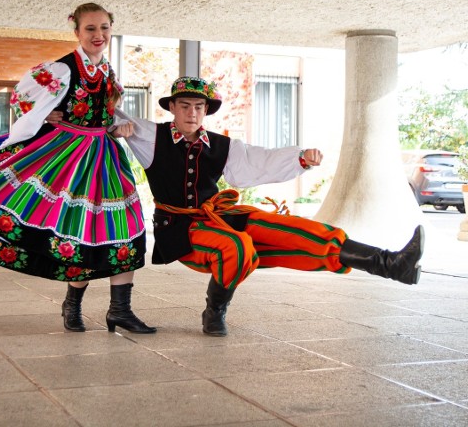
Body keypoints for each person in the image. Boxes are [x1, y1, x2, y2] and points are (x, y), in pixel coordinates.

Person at [107, 76, 424, 337]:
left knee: (298, 231)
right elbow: (106, 115)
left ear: (206, 111)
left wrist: (299, 159)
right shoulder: (150, 135)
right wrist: (110, 127)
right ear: (173, 107)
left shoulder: (221, 145)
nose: (192, 113)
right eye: (185, 106)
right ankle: (214, 310)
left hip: (221, 215)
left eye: (199, 107)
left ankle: (391, 264)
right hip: (179, 230)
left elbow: (257, 162)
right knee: (238, 247)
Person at [0, 2, 154, 334]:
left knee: (123, 229)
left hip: (106, 157)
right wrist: (43, 114)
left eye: (104, 28)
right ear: (77, 32)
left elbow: (106, 117)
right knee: (78, 231)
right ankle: (73, 304)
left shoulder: (110, 74)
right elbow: (20, 98)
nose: (99, 35)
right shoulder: (63, 69)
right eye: (90, 29)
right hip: (69, 158)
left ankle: (120, 309)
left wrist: (117, 129)